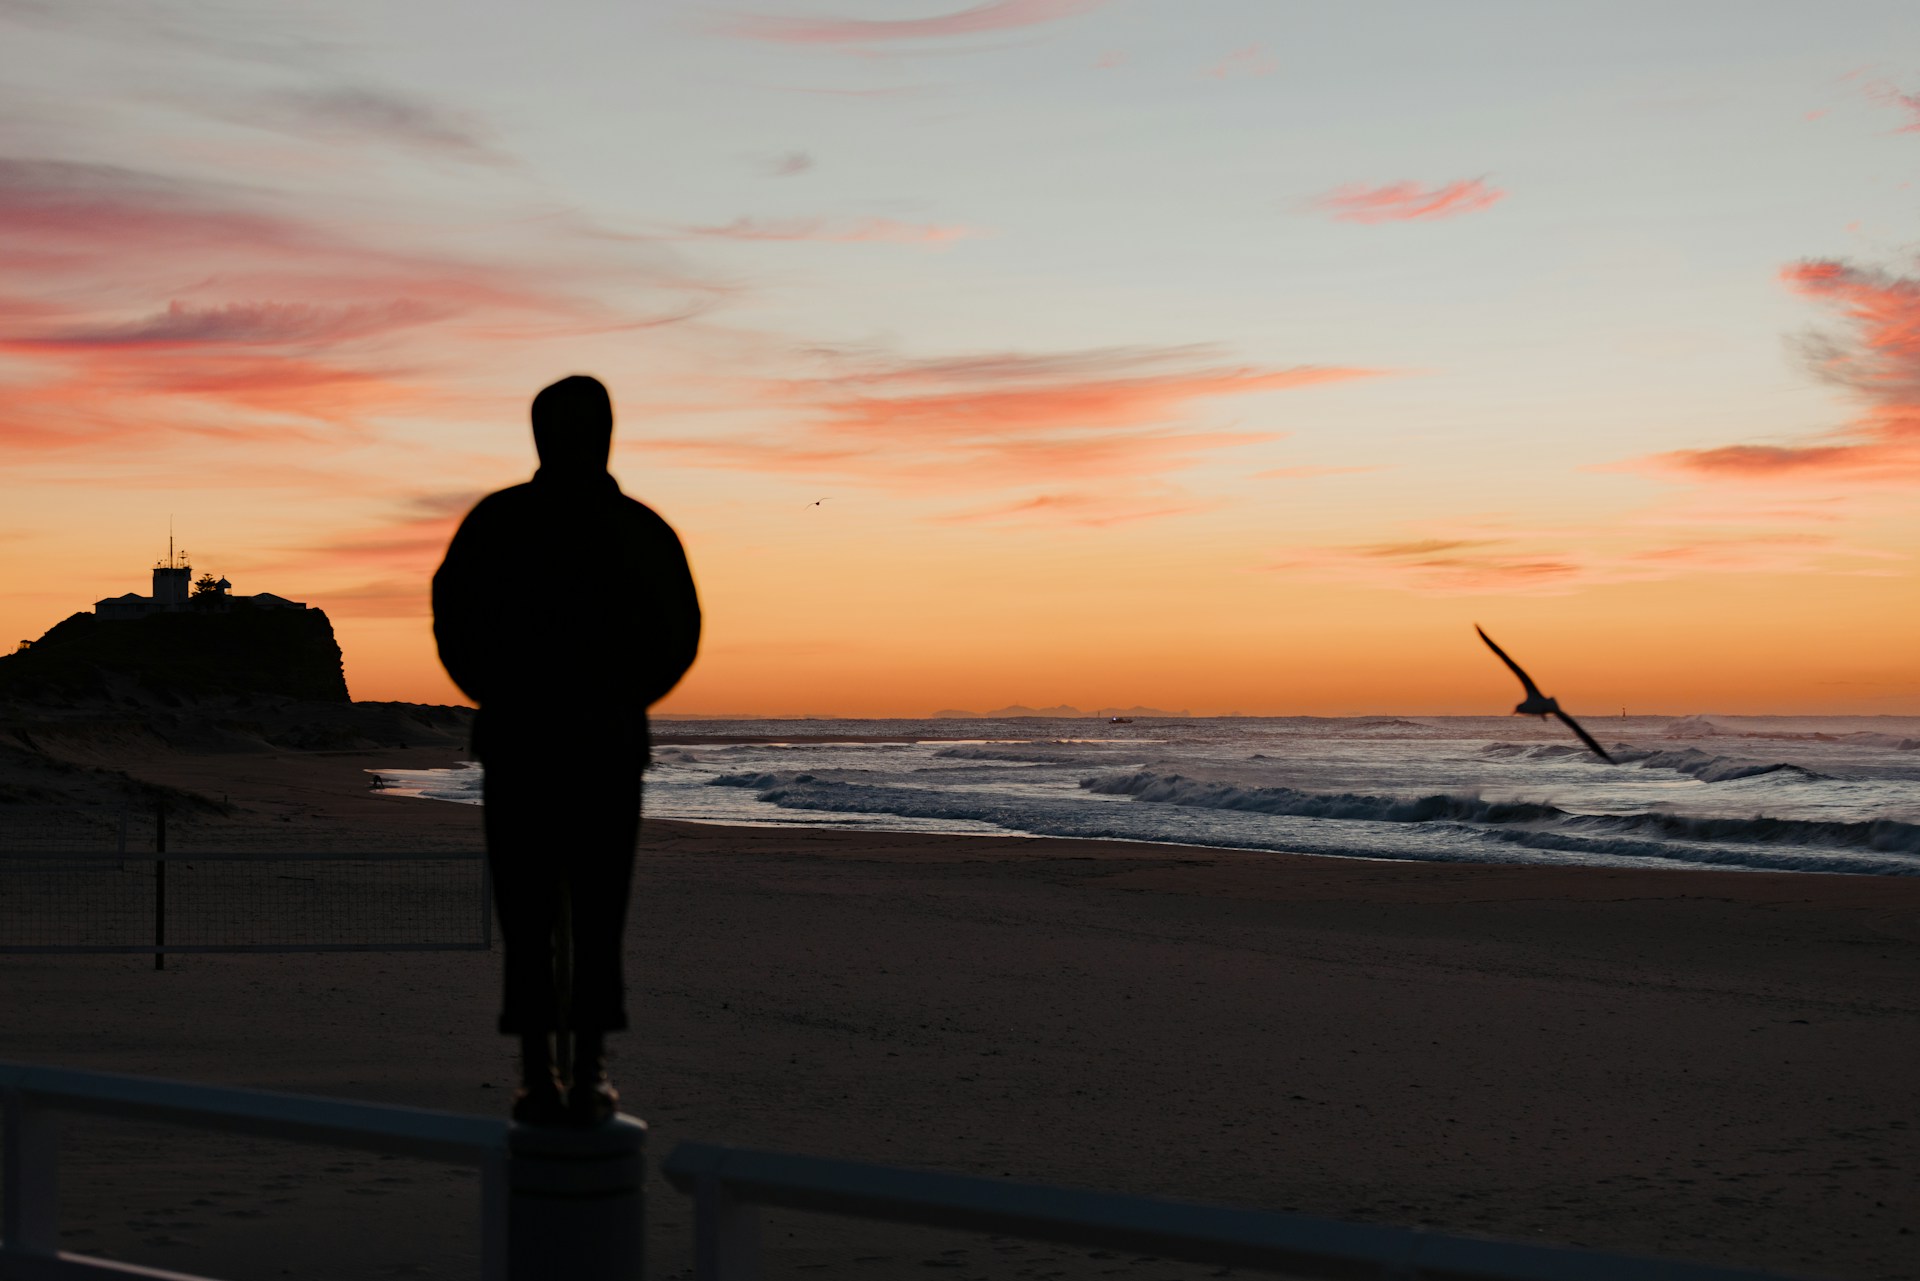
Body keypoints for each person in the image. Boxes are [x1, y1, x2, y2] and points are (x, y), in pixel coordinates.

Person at [432, 375, 700, 1124]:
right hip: (588, 744)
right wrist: (617, 697)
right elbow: (678, 635)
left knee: (546, 912)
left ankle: (556, 1071)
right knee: (577, 911)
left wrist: (506, 693)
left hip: (538, 742)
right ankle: (570, 1070)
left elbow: (454, 622)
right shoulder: (634, 527)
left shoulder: (502, 522)